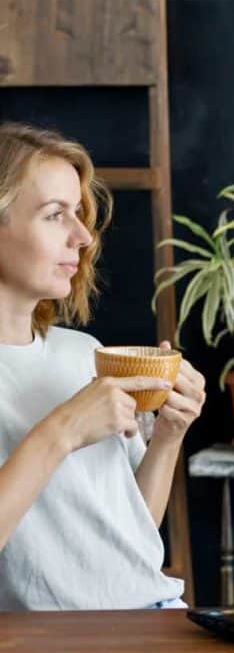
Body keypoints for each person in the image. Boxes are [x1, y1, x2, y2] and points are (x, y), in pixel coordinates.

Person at [0, 121, 207, 610]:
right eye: (55, 215)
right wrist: (63, 430)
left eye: (79, 214)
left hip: (155, 617)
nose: (83, 236)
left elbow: (128, 534)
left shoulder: (82, 352)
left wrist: (169, 436)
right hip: (67, 646)